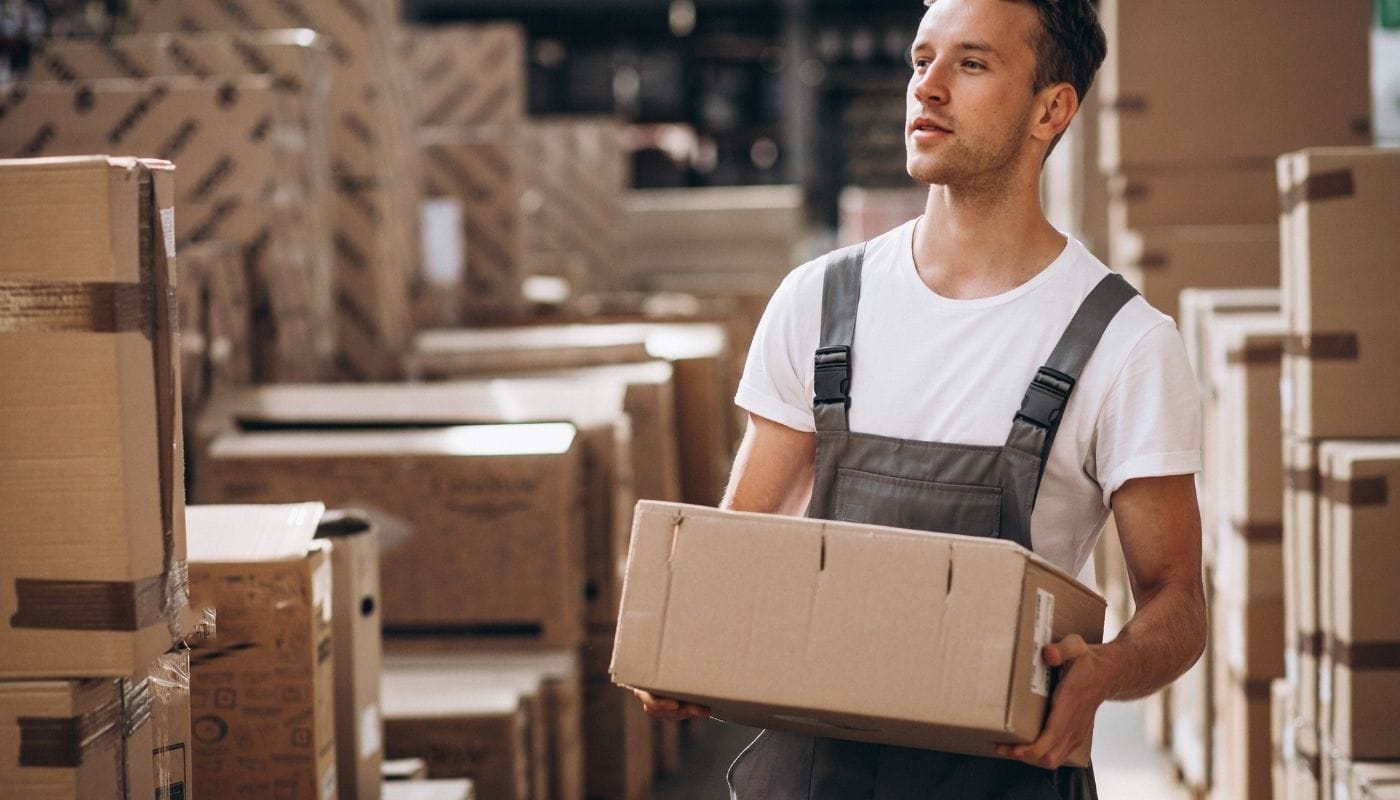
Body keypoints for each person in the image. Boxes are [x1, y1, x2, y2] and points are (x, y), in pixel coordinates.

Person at [635, 0, 1208, 796]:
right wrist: (684, 639)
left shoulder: (1124, 344)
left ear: (1052, 108)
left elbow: (1177, 602)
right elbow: (743, 542)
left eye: (971, 64)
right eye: (921, 60)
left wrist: (1103, 674)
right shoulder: (820, 302)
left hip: (1000, 777)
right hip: (810, 775)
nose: (928, 87)